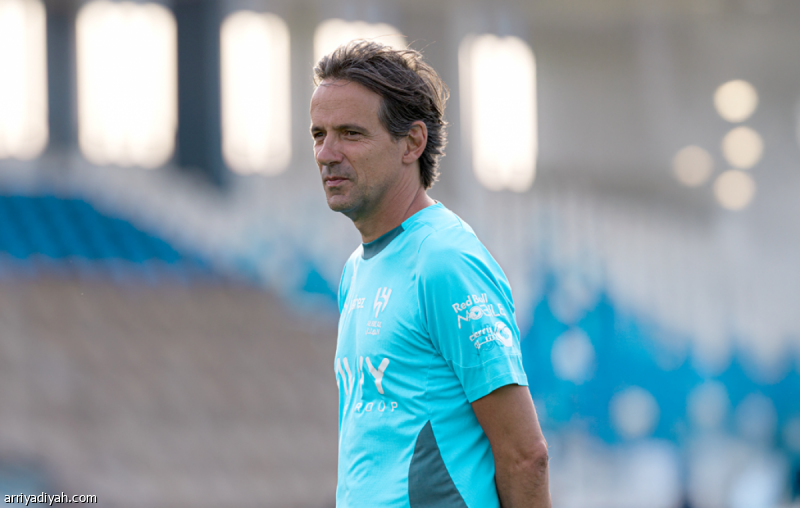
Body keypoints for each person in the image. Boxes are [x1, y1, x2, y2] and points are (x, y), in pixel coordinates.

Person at [310, 40, 551, 508]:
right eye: (319, 134)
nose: (326, 153)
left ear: (413, 143)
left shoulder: (445, 260)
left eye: (351, 134)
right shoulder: (356, 269)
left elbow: (526, 456)